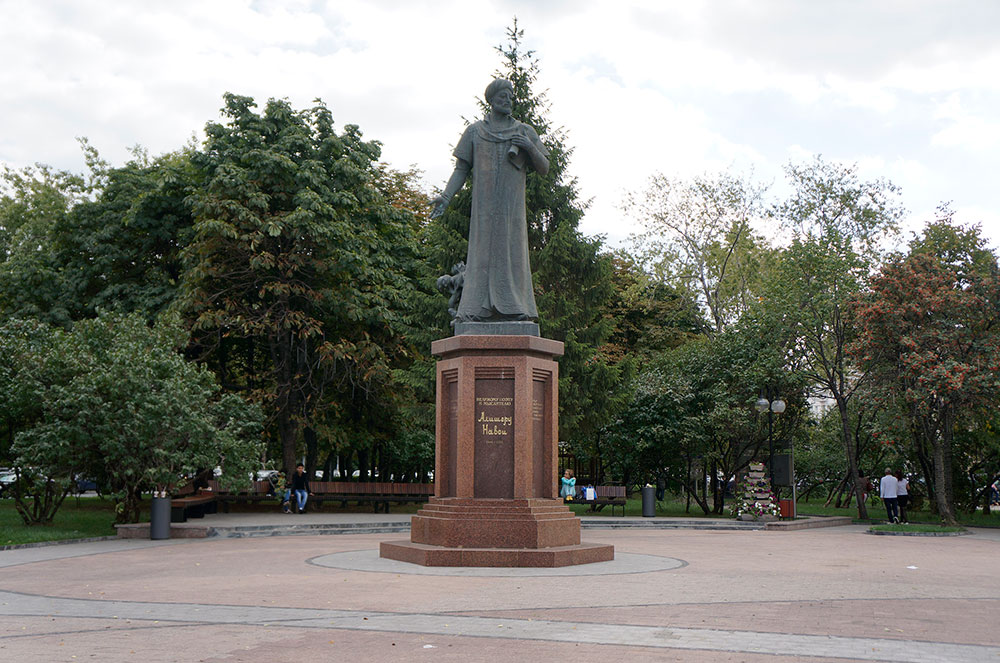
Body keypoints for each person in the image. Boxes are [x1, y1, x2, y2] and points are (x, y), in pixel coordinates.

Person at [430, 78, 550, 324]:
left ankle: (515, 306)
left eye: (511, 96)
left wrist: (529, 147)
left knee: (512, 251)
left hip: (511, 208)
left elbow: (544, 167)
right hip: (483, 209)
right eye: (503, 96)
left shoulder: (524, 131)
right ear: (491, 99)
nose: (508, 100)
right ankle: (475, 309)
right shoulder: (475, 132)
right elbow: (461, 169)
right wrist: (446, 196)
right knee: (482, 254)